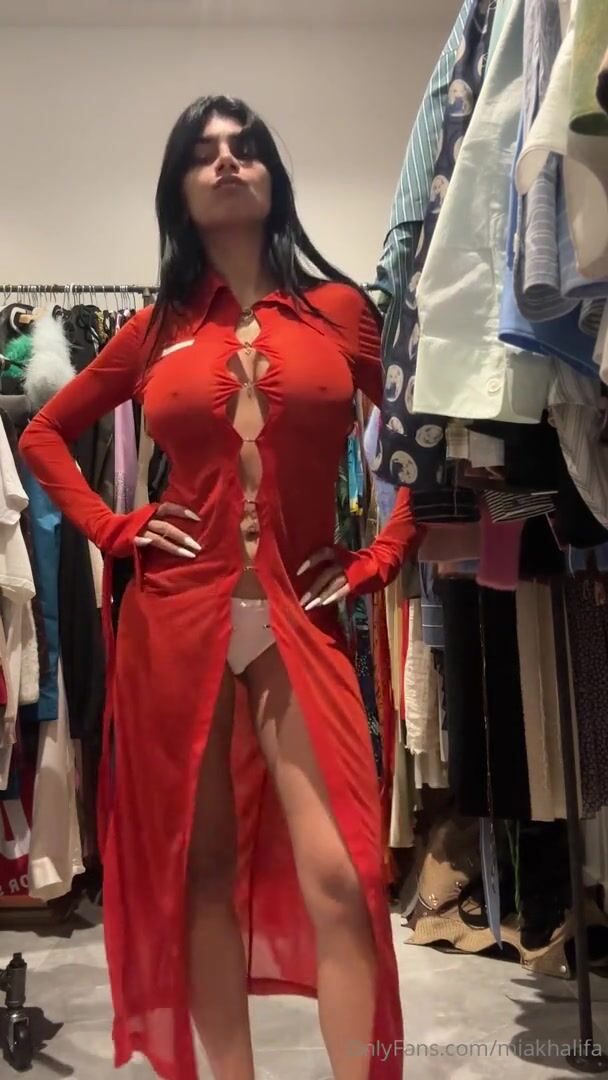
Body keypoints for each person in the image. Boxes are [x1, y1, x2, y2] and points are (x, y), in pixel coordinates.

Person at [20, 95, 421, 1080]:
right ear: (180, 189)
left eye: (245, 149)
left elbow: (420, 441)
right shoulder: (154, 328)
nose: (227, 162)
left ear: (274, 176)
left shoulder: (338, 314)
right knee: (202, 875)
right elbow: (43, 433)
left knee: (345, 876)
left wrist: (379, 555)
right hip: (175, 618)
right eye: (204, 153)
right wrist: (114, 528)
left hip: (299, 619)